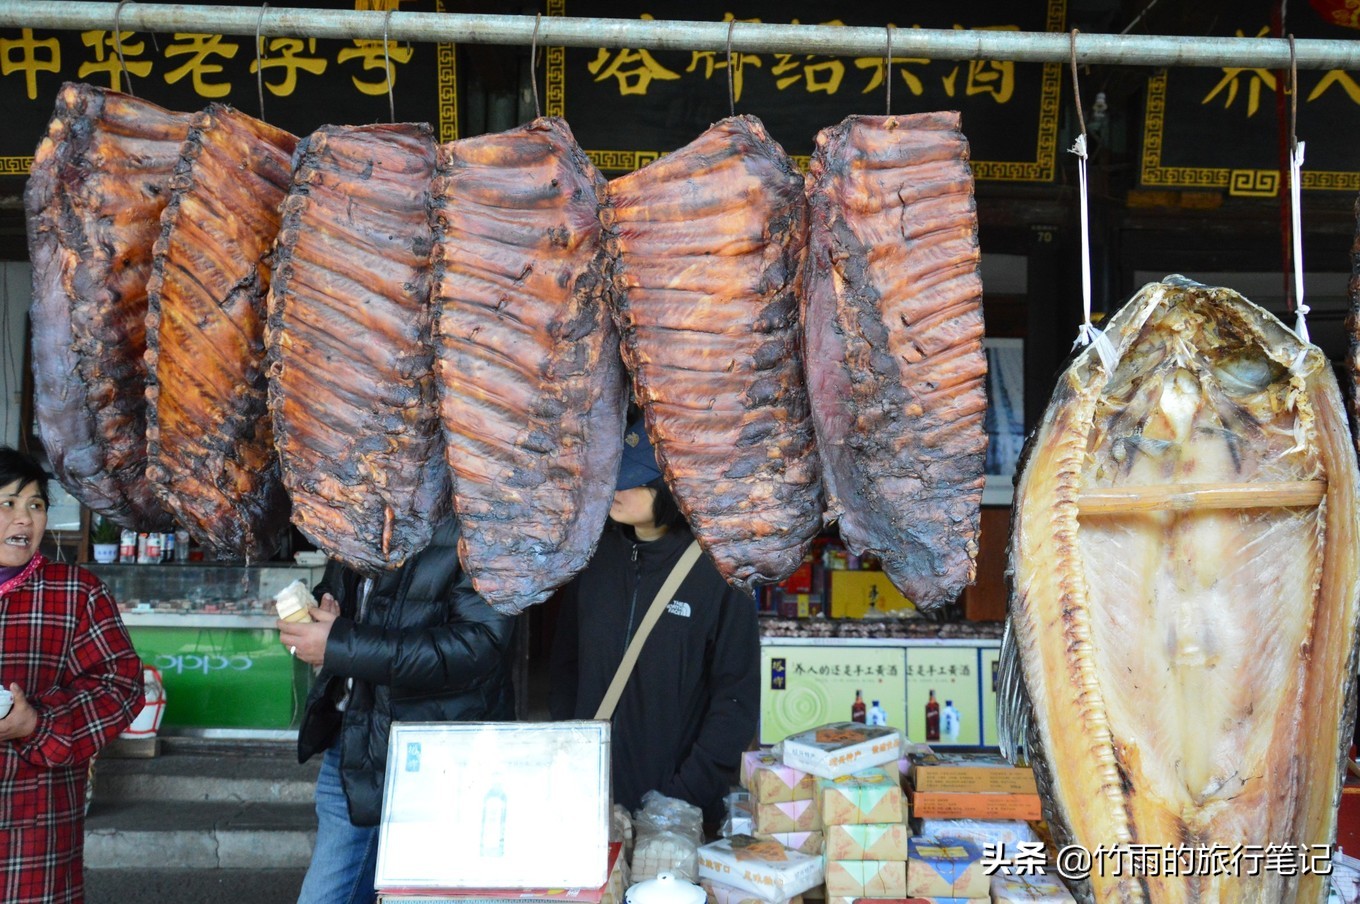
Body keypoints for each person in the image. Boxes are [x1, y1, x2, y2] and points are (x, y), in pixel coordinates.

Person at [280, 516, 517, 904]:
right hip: (354, 741)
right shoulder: (365, 503)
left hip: (443, 761)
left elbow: (479, 645)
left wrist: (340, 645)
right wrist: (323, 613)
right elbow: (350, 594)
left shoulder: (481, 517)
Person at [549, 420, 759, 825]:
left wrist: (682, 796)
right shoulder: (592, 557)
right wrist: (570, 755)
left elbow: (736, 699)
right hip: (589, 802)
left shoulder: (721, 572)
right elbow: (564, 668)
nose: (617, 489)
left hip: (678, 812)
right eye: (614, 474)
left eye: (634, 480)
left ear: (672, 487)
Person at [0, 447, 144, 904]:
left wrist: (37, 725)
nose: (24, 520)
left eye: (36, 505)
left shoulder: (76, 593)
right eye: (7, 504)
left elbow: (120, 688)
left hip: (32, 826)